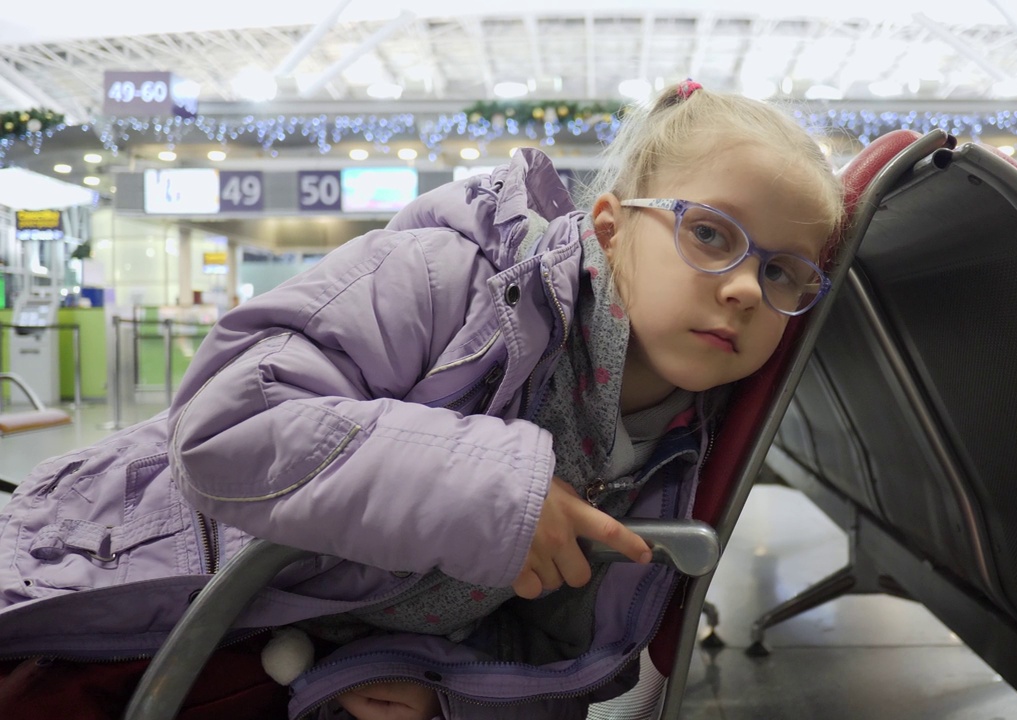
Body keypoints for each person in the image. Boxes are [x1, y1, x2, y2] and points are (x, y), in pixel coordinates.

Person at [0, 80, 844, 720]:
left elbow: (561, 654)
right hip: (108, 578)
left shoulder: (670, 455)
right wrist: (494, 495)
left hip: (257, 647)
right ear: (612, 226)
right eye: (710, 233)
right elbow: (229, 421)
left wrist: (424, 677)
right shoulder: (458, 276)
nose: (742, 287)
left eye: (782, 273)